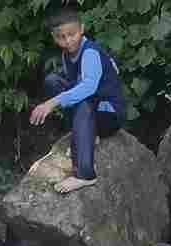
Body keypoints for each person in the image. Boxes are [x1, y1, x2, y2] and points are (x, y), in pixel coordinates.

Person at [29, 7, 126, 193]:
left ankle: (85, 175)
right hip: (93, 108)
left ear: (81, 29)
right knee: (52, 81)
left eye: (71, 34)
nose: (67, 41)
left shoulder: (90, 52)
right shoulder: (67, 53)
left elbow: (88, 87)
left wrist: (51, 103)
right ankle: (85, 135)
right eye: (61, 37)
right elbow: (74, 82)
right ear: (54, 37)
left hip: (110, 114)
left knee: (82, 101)